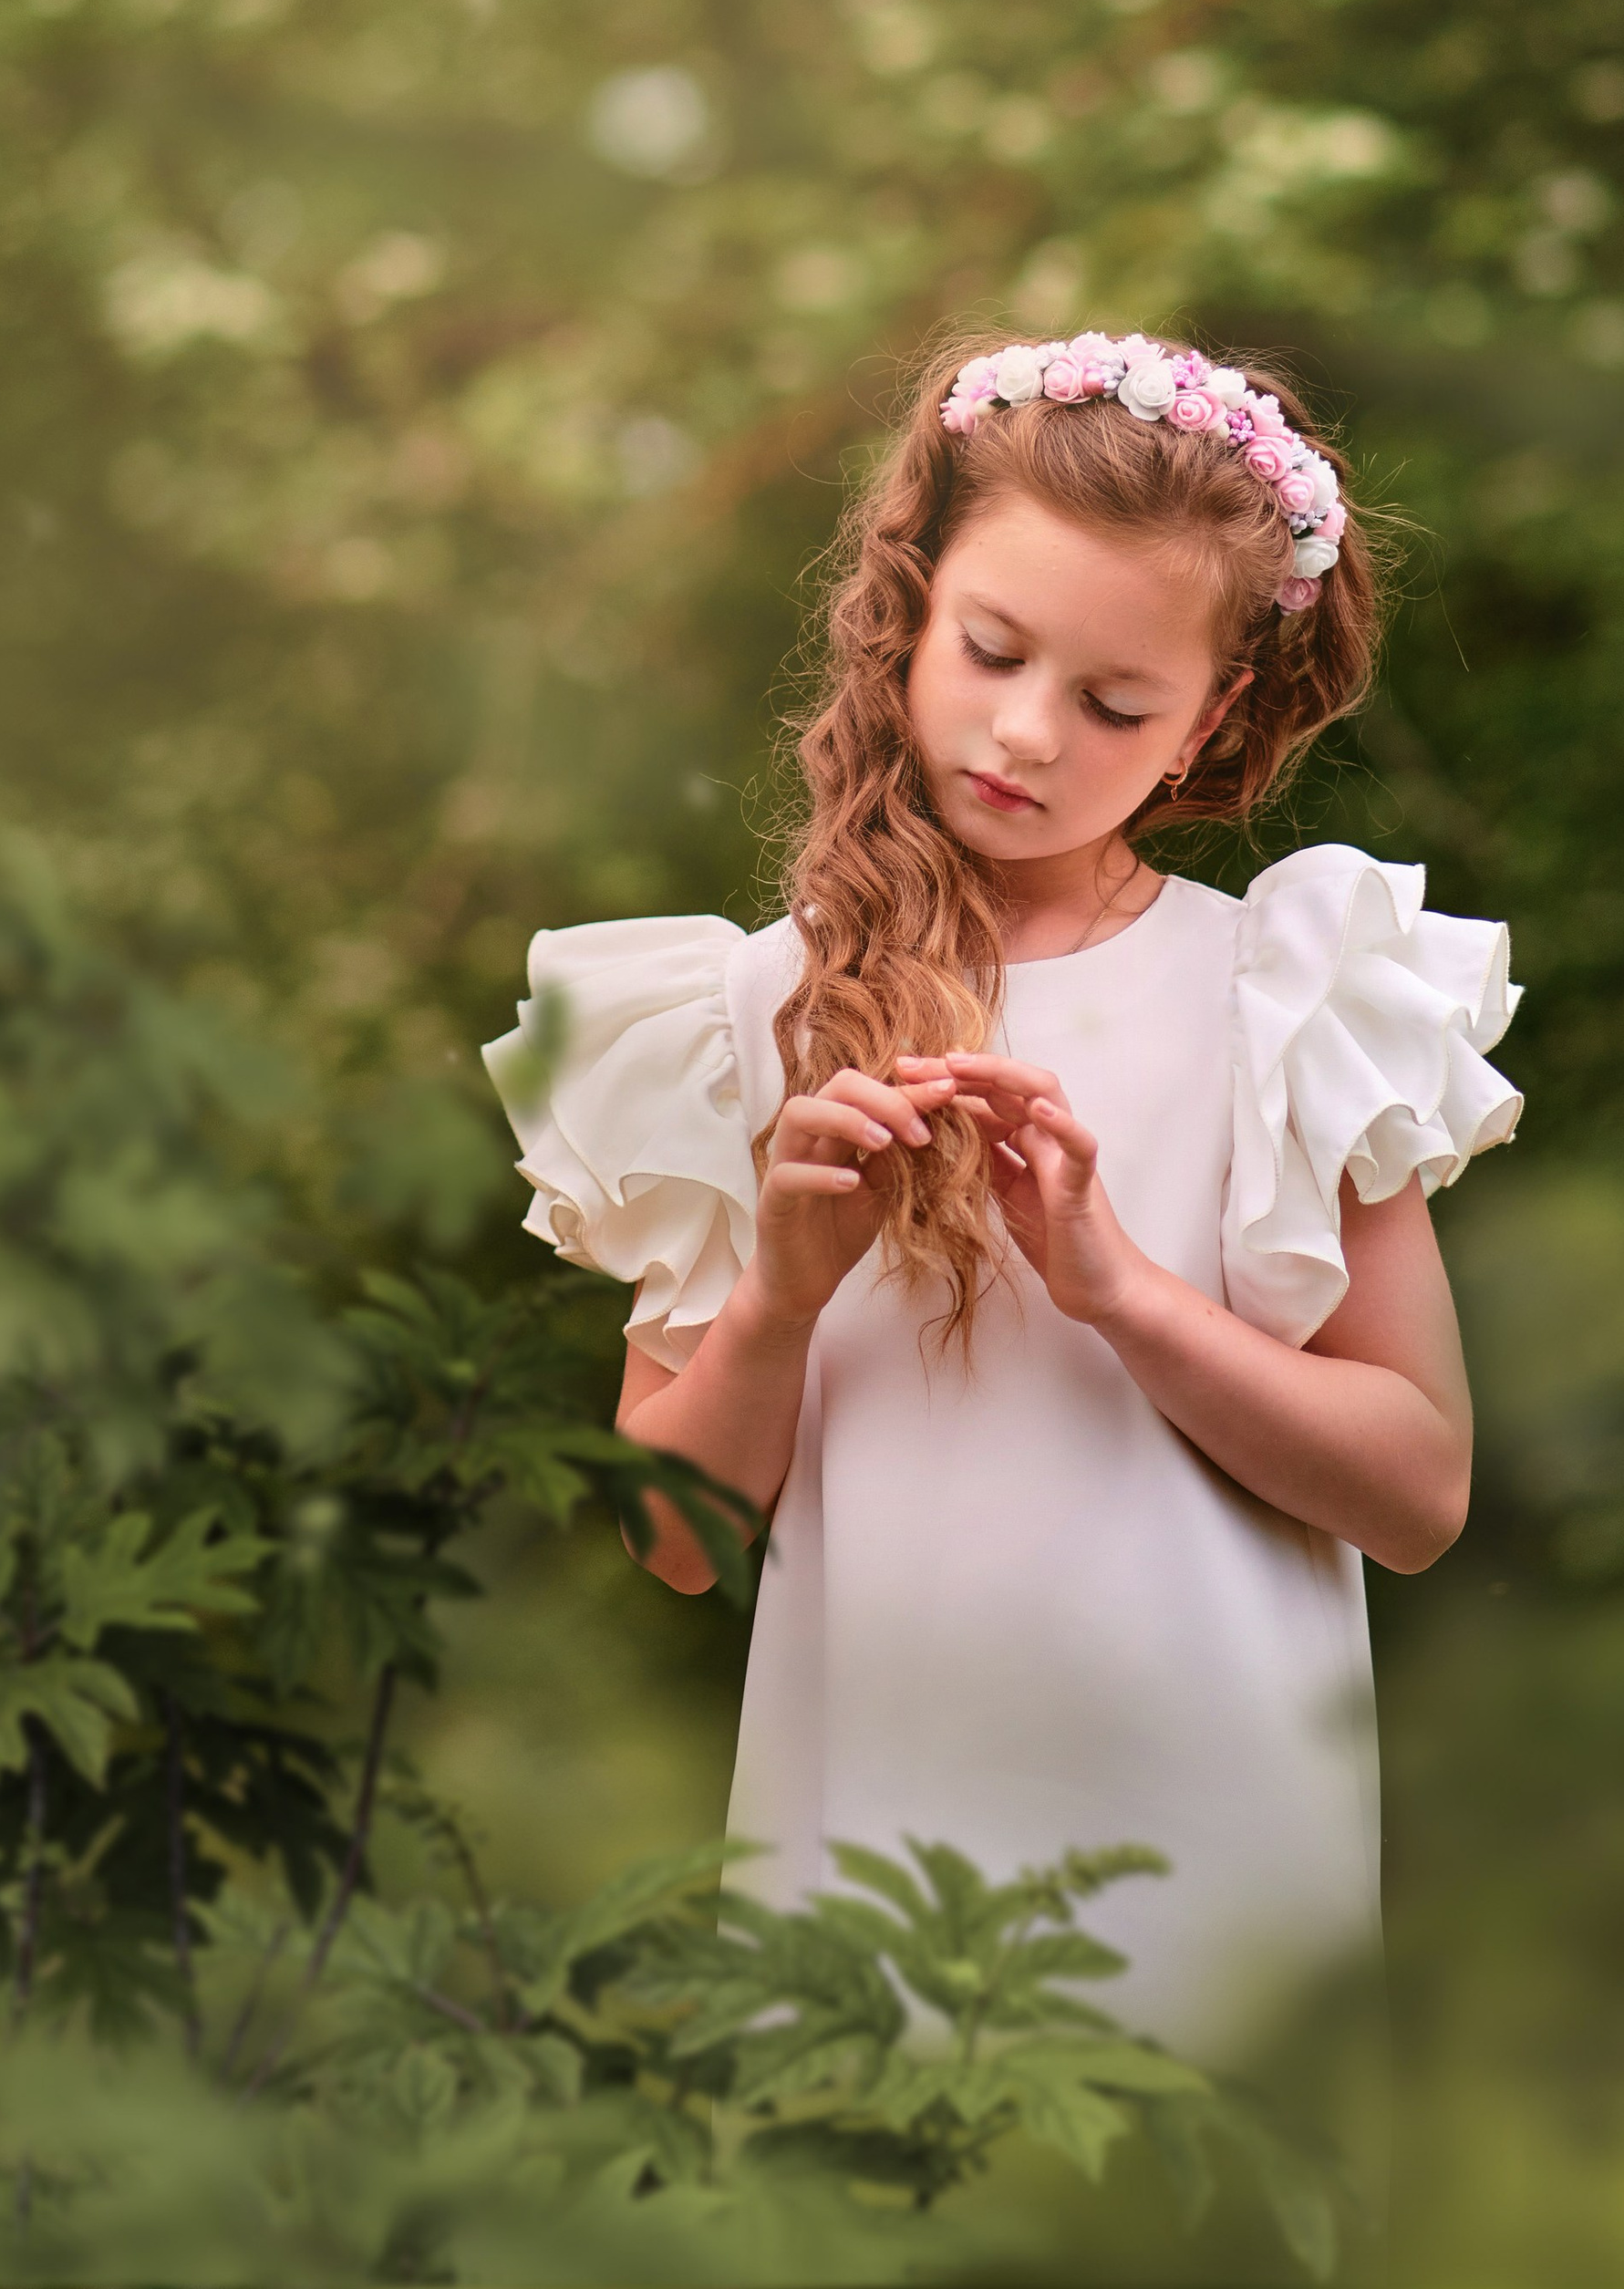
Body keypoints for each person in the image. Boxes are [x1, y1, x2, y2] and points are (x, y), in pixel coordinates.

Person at [485, 330, 1521, 2061]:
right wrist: (783, 1292)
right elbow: (669, 1537)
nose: (1026, 734)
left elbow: (1415, 1495)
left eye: (1115, 704)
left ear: (1218, 723)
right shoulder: (741, 1015)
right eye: (990, 652)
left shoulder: (1285, 995)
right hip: (861, 1868)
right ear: (908, 611)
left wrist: (1118, 1287)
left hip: (1218, 1876)